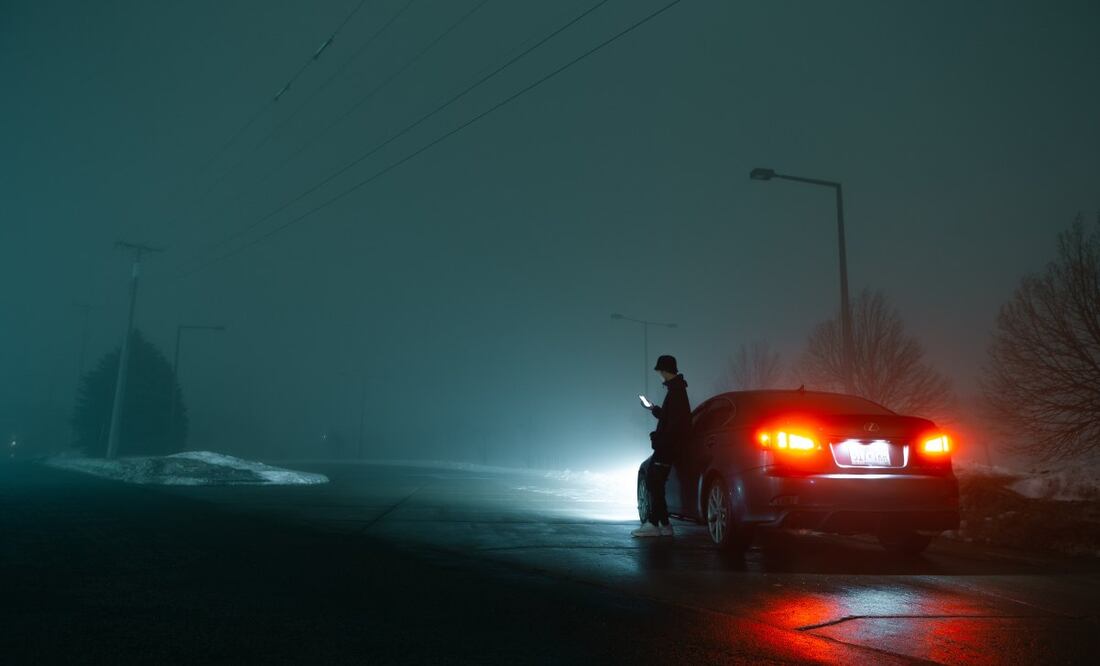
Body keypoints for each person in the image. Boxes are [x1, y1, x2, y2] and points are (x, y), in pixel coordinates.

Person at [632, 354, 691, 538]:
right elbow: (670, 417)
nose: (659, 374)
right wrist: (653, 409)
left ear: (665, 370)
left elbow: (675, 423)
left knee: (653, 482)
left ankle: (653, 524)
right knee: (656, 483)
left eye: (659, 371)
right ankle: (664, 525)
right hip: (668, 445)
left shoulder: (677, 392)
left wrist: (659, 439)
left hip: (667, 447)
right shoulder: (676, 390)